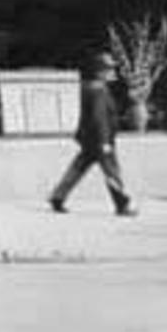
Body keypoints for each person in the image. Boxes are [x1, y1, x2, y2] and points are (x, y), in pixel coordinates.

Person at [48, 52, 136, 216]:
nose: (113, 72)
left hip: (89, 139)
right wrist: (105, 142)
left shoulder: (89, 87)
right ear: (99, 71)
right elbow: (99, 118)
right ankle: (122, 203)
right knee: (111, 171)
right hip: (100, 139)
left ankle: (58, 196)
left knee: (77, 168)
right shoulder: (99, 91)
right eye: (109, 69)